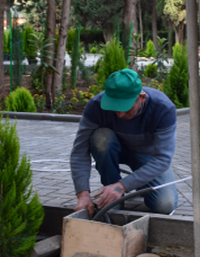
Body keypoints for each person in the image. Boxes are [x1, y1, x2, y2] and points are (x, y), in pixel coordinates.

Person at [70, 68, 178, 217]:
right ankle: (113, 198)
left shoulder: (163, 108)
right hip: (115, 149)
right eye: (114, 108)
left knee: (165, 204)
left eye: (126, 108)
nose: (120, 115)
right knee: (101, 137)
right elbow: (79, 151)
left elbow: (162, 159)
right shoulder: (96, 106)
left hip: (148, 157)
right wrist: (83, 194)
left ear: (142, 97)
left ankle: (130, 185)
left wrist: (124, 185)